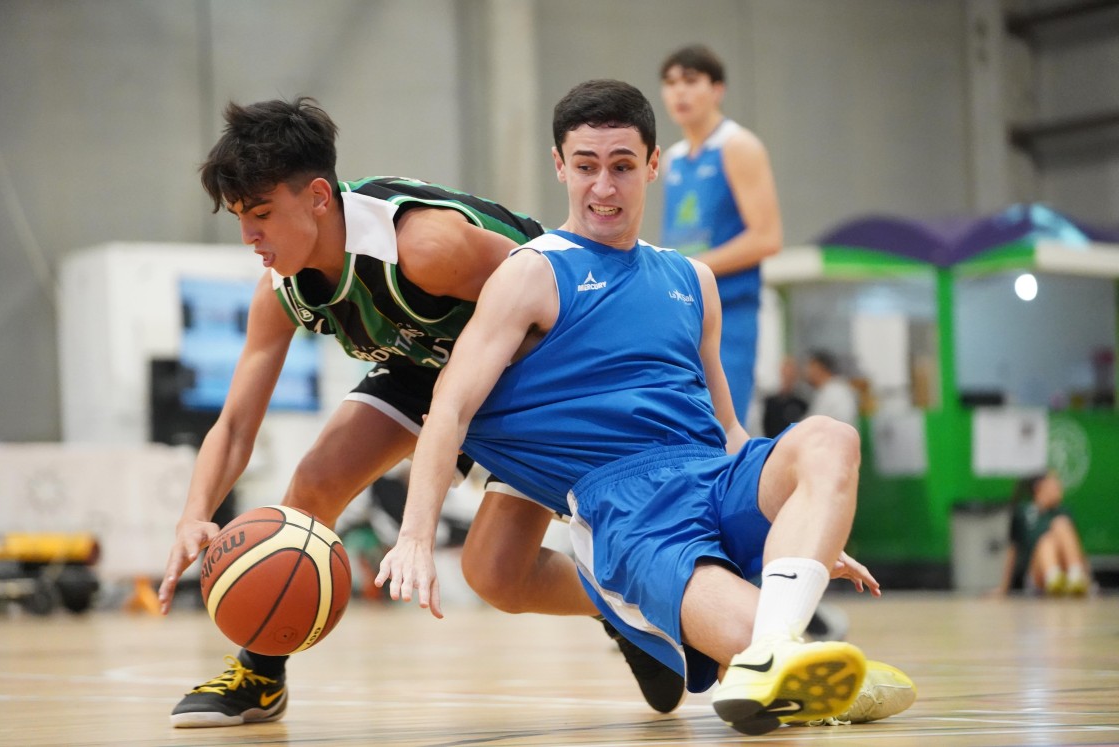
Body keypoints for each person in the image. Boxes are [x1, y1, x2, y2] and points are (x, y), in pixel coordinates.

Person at [376, 79, 915, 736]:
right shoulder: (532, 273)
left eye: (623, 166)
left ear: (654, 166)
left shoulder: (694, 279)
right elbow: (450, 409)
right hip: (631, 514)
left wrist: (812, 522)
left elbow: (729, 428)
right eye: (586, 166)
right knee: (746, 625)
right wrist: (414, 535)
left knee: (830, 436)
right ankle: (777, 653)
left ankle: (775, 655)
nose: (604, 187)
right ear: (560, 167)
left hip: (715, 475)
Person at [157, 97, 673, 727]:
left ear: (319, 196)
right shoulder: (281, 285)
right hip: (423, 364)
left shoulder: (427, 246)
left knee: (497, 576)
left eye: (262, 215)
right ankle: (260, 676)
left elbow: (556, 299)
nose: (250, 238)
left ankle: (649, 609)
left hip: (534, 364)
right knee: (314, 482)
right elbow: (236, 422)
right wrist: (193, 514)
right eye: (240, 218)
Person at [660, 44, 783, 424]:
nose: (678, 92)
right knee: (676, 427)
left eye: (691, 81)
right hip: (684, 313)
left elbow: (767, 237)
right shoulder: (672, 159)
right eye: (670, 83)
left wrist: (688, 267)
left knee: (722, 430)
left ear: (717, 89)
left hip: (730, 314)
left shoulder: (738, 146)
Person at [996, 471, 1094, 596]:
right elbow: (1012, 551)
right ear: (1039, 487)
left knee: (1061, 524)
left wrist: (1087, 574)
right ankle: (1053, 579)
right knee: (1046, 542)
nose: (1059, 488)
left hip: (1065, 572)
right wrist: (1003, 588)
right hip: (1037, 575)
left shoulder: (1063, 512)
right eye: (1054, 484)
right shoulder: (1022, 514)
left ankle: (1076, 577)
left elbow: (1075, 548)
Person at [804, 349, 860, 427]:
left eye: (810, 367)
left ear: (819, 368)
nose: (807, 372)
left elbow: (844, 421)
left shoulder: (838, 392)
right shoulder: (823, 391)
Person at [762, 356, 810, 439]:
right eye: (786, 372)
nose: (788, 376)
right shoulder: (770, 401)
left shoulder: (802, 402)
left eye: (791, 373)